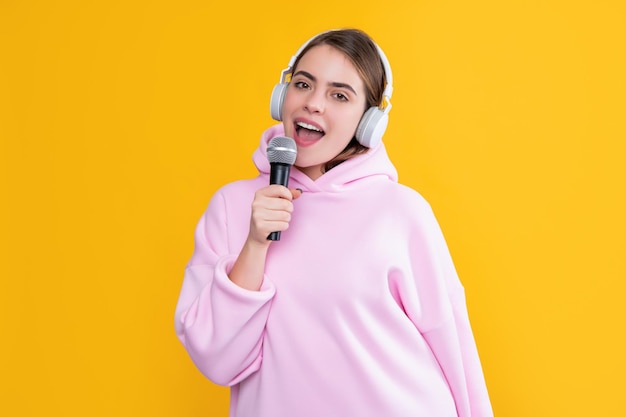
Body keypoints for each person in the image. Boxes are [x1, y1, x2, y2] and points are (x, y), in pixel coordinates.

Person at [174, 28, 493, 417]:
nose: (313, 104)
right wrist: (255, 243)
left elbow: (453, 345)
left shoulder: (402, 211)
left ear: (368, 121)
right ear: (281, 97)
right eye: (304, 84)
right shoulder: (232, 206)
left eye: (339, 95)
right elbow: (217, 360)